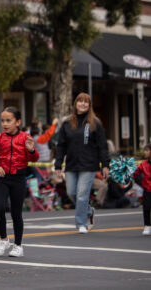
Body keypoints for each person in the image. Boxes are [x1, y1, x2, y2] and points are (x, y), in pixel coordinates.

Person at [0, 107, 38, 257]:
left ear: (18, 122)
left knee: (16, 213)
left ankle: (18, 246)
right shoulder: (0, 138)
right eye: (2, 121)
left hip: (19, 179)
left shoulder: (25, 137)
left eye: (9, 120)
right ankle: (3, 240)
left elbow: (35, 158)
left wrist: (31, 149)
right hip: (3, 179)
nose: (5, 124)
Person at [55, 92, 110, 234]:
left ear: (89, 105)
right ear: (76, 104)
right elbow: (61, 145)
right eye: (80, 101)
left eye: (86, 102)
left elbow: (102, 146)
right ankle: (88, 210)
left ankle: (81, 224)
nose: (83, 104)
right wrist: (58, 165)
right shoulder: (67, 123)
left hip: (89, 165)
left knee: (82, 194)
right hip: (71, 165)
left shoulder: (95, 123)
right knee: (72, 193)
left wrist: (105, 165)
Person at [133, 144, 151, 235]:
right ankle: (147, 226)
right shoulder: (143, 164)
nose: (145, 152)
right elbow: (135, 173)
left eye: (147, 150)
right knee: (146, 207)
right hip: (147, 189)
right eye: (145, 150)